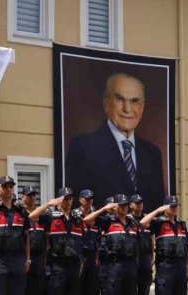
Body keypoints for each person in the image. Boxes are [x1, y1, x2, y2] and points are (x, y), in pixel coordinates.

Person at [65, 73, 165, 209]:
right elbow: (77, 206)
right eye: (120, 99)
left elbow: (158, 207)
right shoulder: (83, 148)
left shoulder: (153, 154)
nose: (127, 108)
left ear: (142, 107)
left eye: (135, 101)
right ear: (106, 103)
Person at [30, 188, 86, 295]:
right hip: (57, 264)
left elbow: (81, 243)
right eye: (64, 198)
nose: (67, 201)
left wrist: (81, 263)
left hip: (74, 264)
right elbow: (32, 216)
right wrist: (48, 204)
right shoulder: (50, 216)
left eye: (69, 198)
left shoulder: (77, 218)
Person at [85, 194, 141, 295]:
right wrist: (104, 209)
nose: (124, 207)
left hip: (130, 264)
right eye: (121, 205)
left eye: (126, 204)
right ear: (115, 206)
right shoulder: (107, 221)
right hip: (114, 265)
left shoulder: (132, 222)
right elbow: (87, 220)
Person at [141, 195, 188, 295]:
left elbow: (186, 246)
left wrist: (187, 265)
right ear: (165, 207)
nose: (174, 208)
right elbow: (143, 223)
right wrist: (158, 210)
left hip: (180, 265)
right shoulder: (158, 222)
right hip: (166, 265)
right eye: (171, 206)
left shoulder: (182, 224)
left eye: (176, 206)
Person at [19, 186, 49, 295]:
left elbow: (46, 238)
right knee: (23, 290)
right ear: (23, 196)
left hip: (38, 255)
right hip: (23, 256)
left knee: (36, 291)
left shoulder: (41, 215)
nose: (31, 198)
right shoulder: (20, 212)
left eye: (33, 195)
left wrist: (45, 257)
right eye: (28, 195)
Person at [129, 194, 156, 295]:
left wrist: (152, 255)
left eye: (141, 202)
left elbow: (151, 238)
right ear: (131, 205)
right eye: (136, 203)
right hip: (133, 257)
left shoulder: (147, 219)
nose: (139, 205)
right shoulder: (128, 219)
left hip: (145, 257)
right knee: (131, 288)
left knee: (145, 287)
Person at [76, 189, 101, 295]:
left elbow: (97, 239)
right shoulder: (75, 214)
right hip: (79, 256)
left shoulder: (96, 215)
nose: (89, 201)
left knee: (90, 289)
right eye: (86, 199)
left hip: (91, 255)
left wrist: (97, 258)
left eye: (91, 198)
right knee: (77, 289)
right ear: (80, 200)